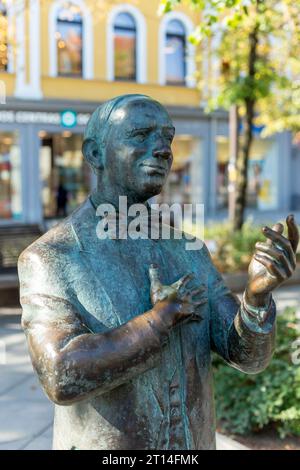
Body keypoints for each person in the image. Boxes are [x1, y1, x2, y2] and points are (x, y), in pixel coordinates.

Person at [18, 94, 299, 450]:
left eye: (168, 137)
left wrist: (257, 296)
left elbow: (247, 357)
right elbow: (61, 375)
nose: (164, 149)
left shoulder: (188, 250)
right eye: (141, 135)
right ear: (95, 154)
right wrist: (158, 321)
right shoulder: (51, 258)